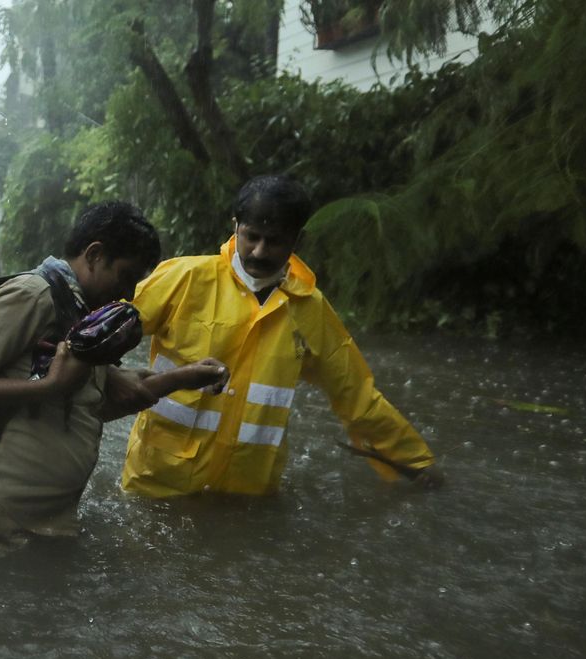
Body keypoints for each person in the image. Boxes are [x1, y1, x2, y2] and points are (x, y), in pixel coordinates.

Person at [0, 201, 229, 552]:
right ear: (95, 255)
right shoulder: (33, 295)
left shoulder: (81, 316)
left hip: (49, 519)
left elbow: (105, 398)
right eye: (127, 276)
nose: (130, 294)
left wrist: (183, 377)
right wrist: (49, 386)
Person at [120, 175, 443, 498]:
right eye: (252, 237)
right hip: (158, 483)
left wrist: (415, 462)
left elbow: (356, 395)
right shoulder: (185, 278)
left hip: (245, 492)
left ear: (296, 241)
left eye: (274, 241)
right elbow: (104, 332)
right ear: (236, 227)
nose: (259, 251)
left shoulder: (310, 309)